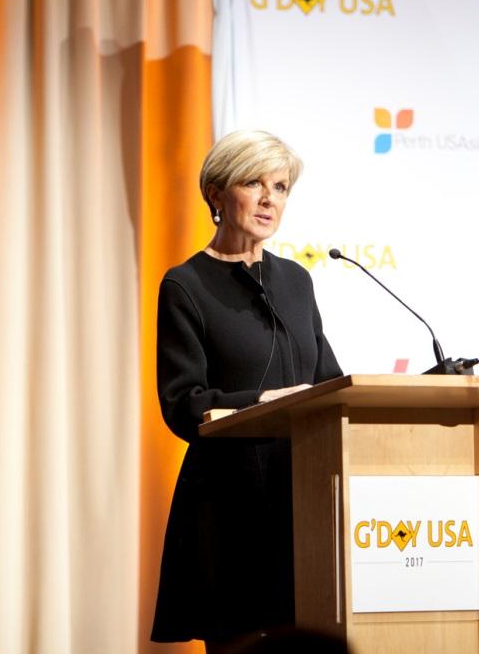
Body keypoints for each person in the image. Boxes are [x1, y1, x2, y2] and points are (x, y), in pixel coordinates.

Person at [151, 130, 343, 653]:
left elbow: (328, 383)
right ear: (216, 193)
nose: (268, 199)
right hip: (229, 510)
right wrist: (257, 404)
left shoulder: (297, 282)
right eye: (253, 183)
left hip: (302, 506)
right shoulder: (186, 285)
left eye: (279, 187)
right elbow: (183, 403)